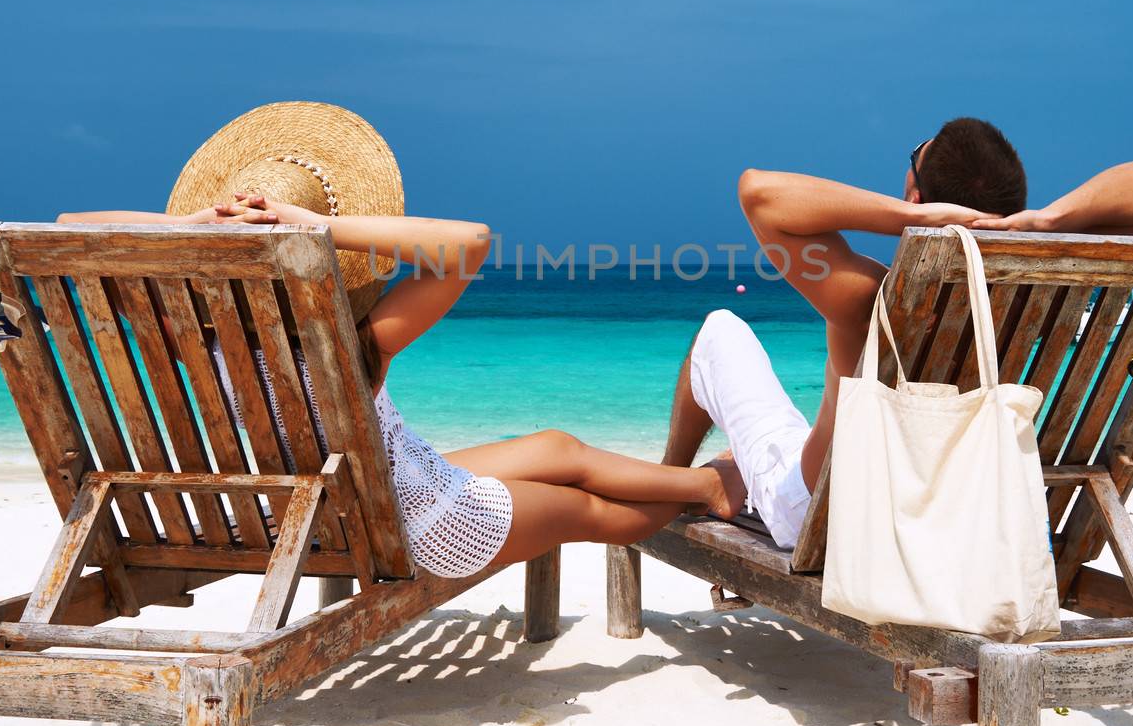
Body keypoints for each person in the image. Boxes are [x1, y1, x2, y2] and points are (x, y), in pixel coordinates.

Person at [60, 101, 743, 581]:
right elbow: (468, 245)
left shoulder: (183, 336)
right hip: (400, 521)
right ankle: (709, 490)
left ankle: (702, 484)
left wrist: (197, 225)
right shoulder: (352, 340)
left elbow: (68, 225)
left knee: (560, 449)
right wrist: (317, 225)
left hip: (295, 511)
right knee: (597, 513)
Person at [663, 117, 1133, 549]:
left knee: (718, 332)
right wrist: (1044, 222)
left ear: (918, 194)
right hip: (961, 517)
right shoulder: (1045, 298)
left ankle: (670, 481)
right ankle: (718, 476)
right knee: (778, 439)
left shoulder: (872, 300)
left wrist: (909, 218)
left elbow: (759, 192)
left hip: (829, 515)